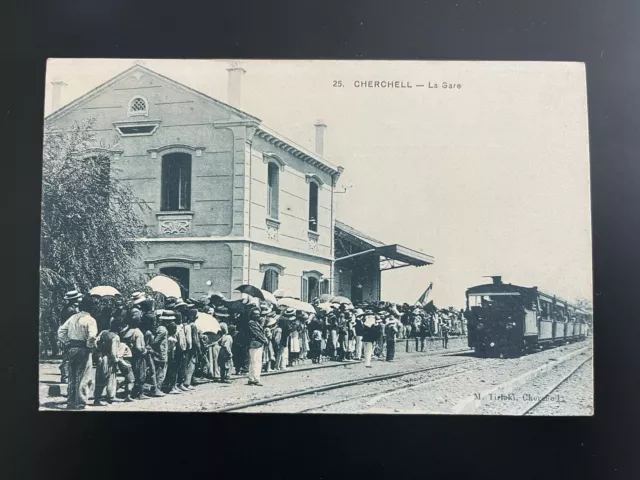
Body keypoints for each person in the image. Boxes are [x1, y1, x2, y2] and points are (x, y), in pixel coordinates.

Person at [57, 295, 98, 410]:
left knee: (72, 376)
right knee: (84, 376)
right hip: (83, 349)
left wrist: (67, 342)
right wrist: (90, 347)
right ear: (91, 308)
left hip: (72, 348)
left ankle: (70, 401)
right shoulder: (91, 320)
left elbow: (60, 332)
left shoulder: (73, 317)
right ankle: (80, 403)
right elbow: (92, 337)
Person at [121, 296, 149, 400]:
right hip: (138, 356)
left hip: (129, 356)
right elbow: (138, 347)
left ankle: (129, 392)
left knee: (130, 375)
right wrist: (145, 351)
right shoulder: (138, 332)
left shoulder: (125, 331)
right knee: (141, 374)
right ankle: (139, 393)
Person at [93, 317, 122, 406]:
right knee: (110, 378)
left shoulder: (103, 332)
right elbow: (113, 352)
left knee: (99, 378)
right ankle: (109, 398)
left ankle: (97, 398)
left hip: (100, 357)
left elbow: (95, 342)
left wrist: (99, 351)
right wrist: (116, 360)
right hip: (108, 359)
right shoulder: (115, 337)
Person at [58, 290, 83, 383]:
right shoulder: (71, 310)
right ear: (73, 300)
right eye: (77, 298)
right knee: (67, 355)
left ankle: (66, 375)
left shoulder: (69, 308)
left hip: (68, 333)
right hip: (69, 333)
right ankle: (65, 376)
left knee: (68, 354)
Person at [247, 307, 268, 386]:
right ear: (252, 315)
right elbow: (257, 333)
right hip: (255, 343)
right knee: (256, 361)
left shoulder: (256, 322)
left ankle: (252, 378)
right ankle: (255, 379)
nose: (257, 315)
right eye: (255, 314)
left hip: (258, 344)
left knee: (256, 361)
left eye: (258, 314)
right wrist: (264, 339)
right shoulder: (251, 323)